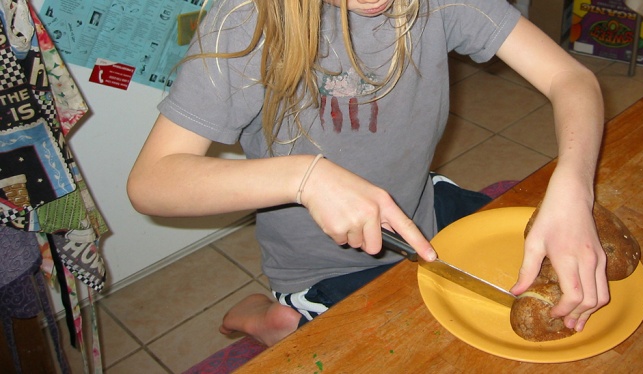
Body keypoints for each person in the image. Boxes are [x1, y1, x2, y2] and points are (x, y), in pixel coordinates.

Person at [127, 0, 607, 347]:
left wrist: (572, 187)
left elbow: (572, 79)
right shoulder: (245, 21)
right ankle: (273, 318)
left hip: (421, 212)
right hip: (321, 267)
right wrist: (305, 177)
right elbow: (152, 182)